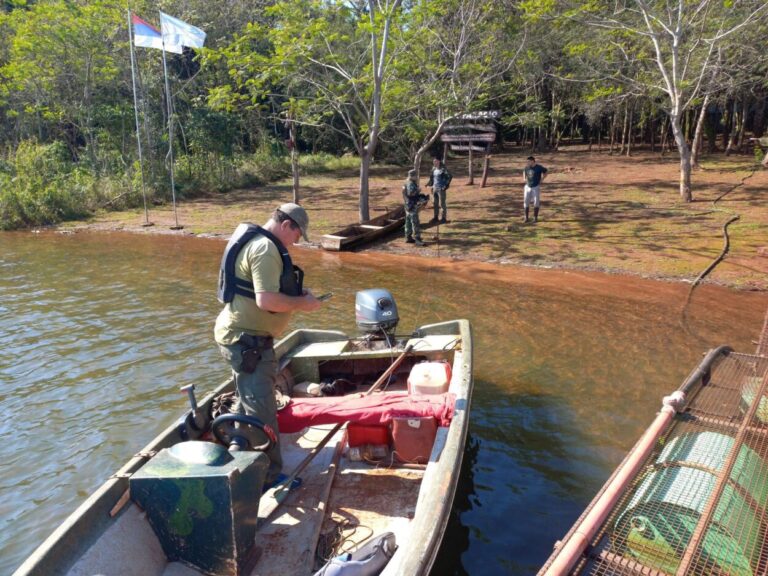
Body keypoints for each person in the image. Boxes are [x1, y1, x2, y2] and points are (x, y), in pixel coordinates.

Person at [214, 203, 322, 487]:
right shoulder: (265, 249)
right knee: (262, 413)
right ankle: (268, 478)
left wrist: (299, 295)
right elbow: (266, 300)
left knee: (249, 399)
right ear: (286, 225)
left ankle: (239, 448)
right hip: (246, 343)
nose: (296, 242)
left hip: (247, 339)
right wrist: (304, 305)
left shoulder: (262, 244)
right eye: (297, 235)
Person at [402, 169, 425, 246]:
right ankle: (417, 239)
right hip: (412, 205)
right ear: (413, 176)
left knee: (408, 221)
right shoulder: (411, 184)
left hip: (407, 205)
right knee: (415, 222)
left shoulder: (406, 183)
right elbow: (411, 193)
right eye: (416, 176)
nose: (417, 177)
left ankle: (408, 237)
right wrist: (418, 190)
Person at [522, 156, 548, 223]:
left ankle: (535, 218)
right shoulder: (527, 167)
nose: (527, 163)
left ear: (532, 161)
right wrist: (524, 178)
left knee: (536, 202)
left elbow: (546, 171)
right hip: (527, 186)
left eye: (528, 162)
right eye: (527, 162)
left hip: (535, 187)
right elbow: (524, 171)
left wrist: (542, 179)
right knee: (526, 202)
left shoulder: (539, 167)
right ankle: (526, 218)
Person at [427, 158, 452, 224]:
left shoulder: (443, 169)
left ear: (439, 161)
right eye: (433, 161)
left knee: (442, 204)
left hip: (441, 189)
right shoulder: (433, 169)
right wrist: (430, 184)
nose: (434, 162)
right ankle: (436, 217)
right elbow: (432, 178)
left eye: (435, 161)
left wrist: (445, 186)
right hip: (434, 188)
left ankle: (443, 218)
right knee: (435, 203)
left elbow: (450, 176)